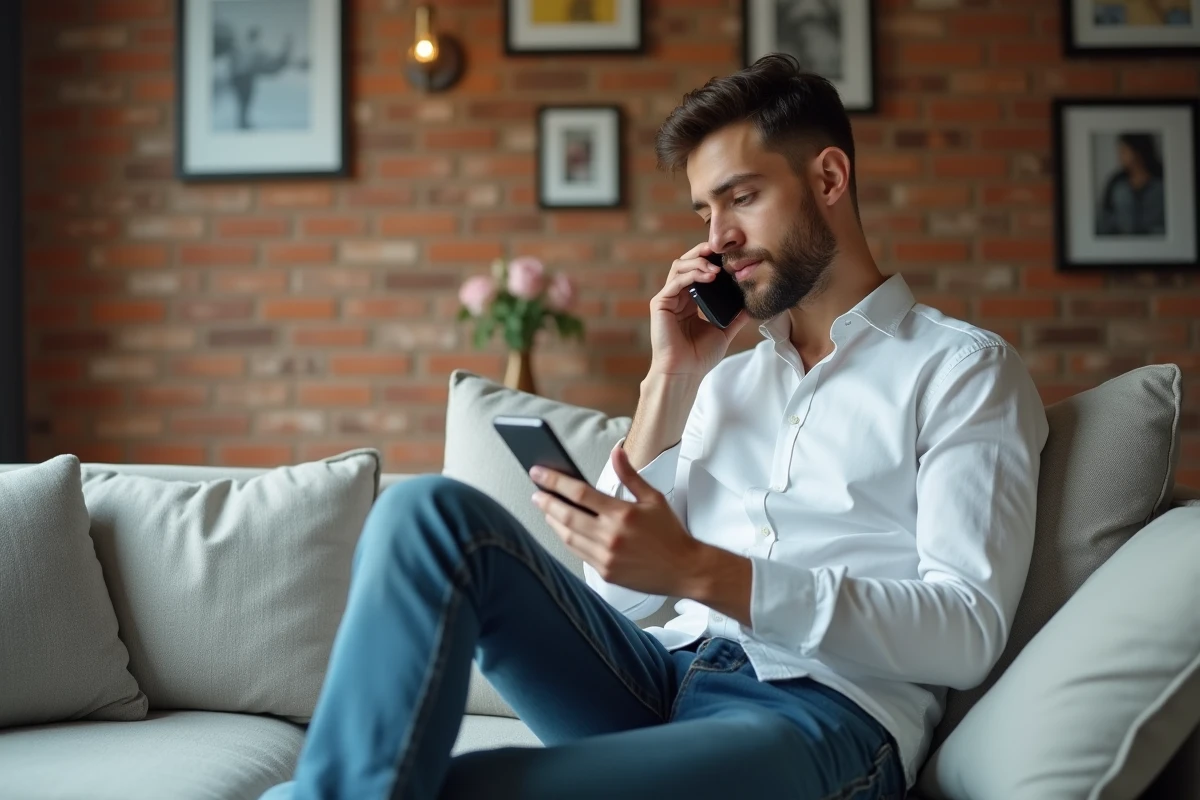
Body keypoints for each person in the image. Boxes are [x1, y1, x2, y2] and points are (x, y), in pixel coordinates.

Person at [260, 54, 1048, 800]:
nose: (717, 238)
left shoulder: (962, 371)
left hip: (825, 717)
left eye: (741, 197)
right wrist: (670, 380)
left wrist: (704, 572)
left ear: (830, 177)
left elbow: (967, 630)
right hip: (664, 676)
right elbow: (611, 595)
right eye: (706, 211)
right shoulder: (725, 379)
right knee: (424, 513)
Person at [1096, 133, 1166, 236]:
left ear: (1137, 152)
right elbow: (1105, 217)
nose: (1119, 156)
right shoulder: (1116, 182)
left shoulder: (1162, 179)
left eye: (1123, 151)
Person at [224, 25, 293, 130]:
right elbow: (234, 62)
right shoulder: (251, 49)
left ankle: (243, 122)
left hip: (242, 77)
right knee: (245, 100)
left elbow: (269, 61)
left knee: (244, 100)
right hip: (243, 77)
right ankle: (243, 122)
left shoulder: (246, 48)